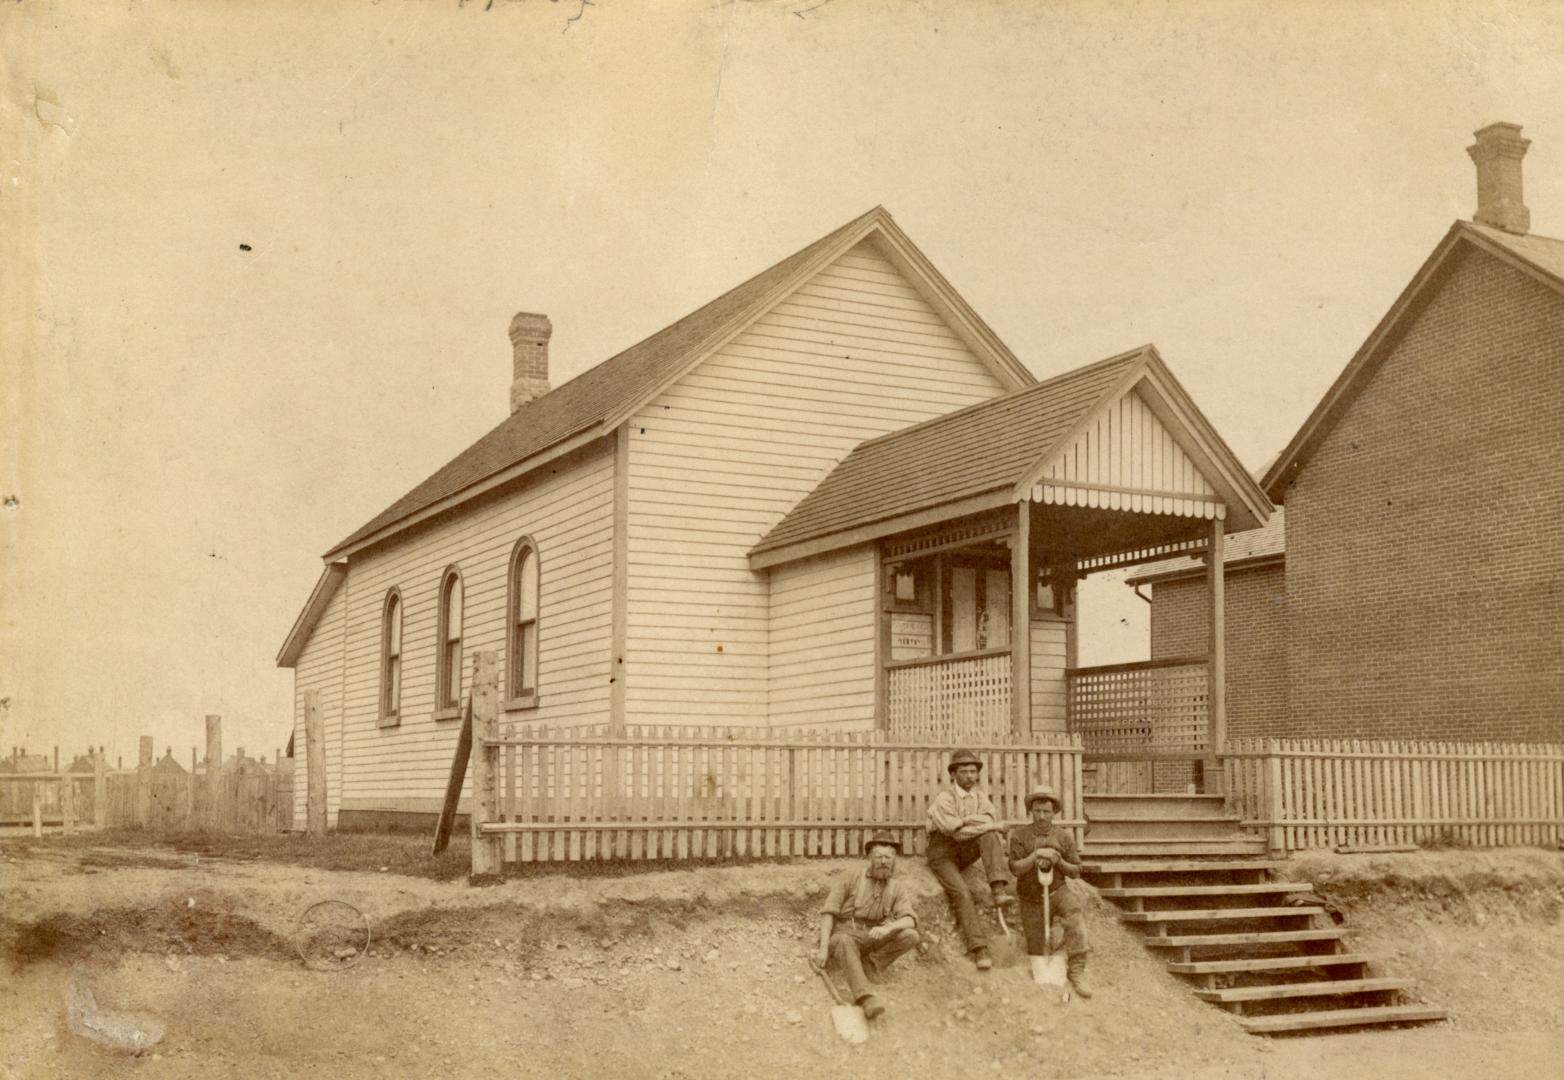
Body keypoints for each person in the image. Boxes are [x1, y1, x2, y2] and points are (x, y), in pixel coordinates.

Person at [814, 830, 921, 1020]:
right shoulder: (850, 878)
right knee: (843, 940)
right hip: (847, 933)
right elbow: (828, 912)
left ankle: (870, 965)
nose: (884, 862)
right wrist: (823, 948)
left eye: (889, 858)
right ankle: (865, 998)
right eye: (879, 856)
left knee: (910, 935)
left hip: (873, 936)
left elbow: (910, 920)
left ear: (894, 860)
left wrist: (888, 928)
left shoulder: (897, 888)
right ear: (870, 857)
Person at [925, 749, 1015, 972]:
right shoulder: (944, 799)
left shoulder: (980, 798)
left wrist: (965, 821)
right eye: (964, 772)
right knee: (962, 893)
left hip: (964, 852)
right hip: (941, 854)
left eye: (973, 772)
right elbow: (954, 833)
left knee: (990, 836)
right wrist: (986, 824)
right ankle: (979, 949)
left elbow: (985, 819)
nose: (970, 777)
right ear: (953, 775)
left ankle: (998, 890)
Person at [1007, 784, 1092, 997]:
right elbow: (1015, 869)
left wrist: (1059, 860)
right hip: (1031, 897)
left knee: (1075, 918)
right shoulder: (1019, 835)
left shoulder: (1064, 836)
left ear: (1054, 812)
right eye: (1037, 811)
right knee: (1036, 949)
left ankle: (1076, 970)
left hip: (1058, 892)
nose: (1042, 816)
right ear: (1031, 811)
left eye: (1046, 811)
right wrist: (1035, 856)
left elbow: (1076, 870)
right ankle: (1052, 959)